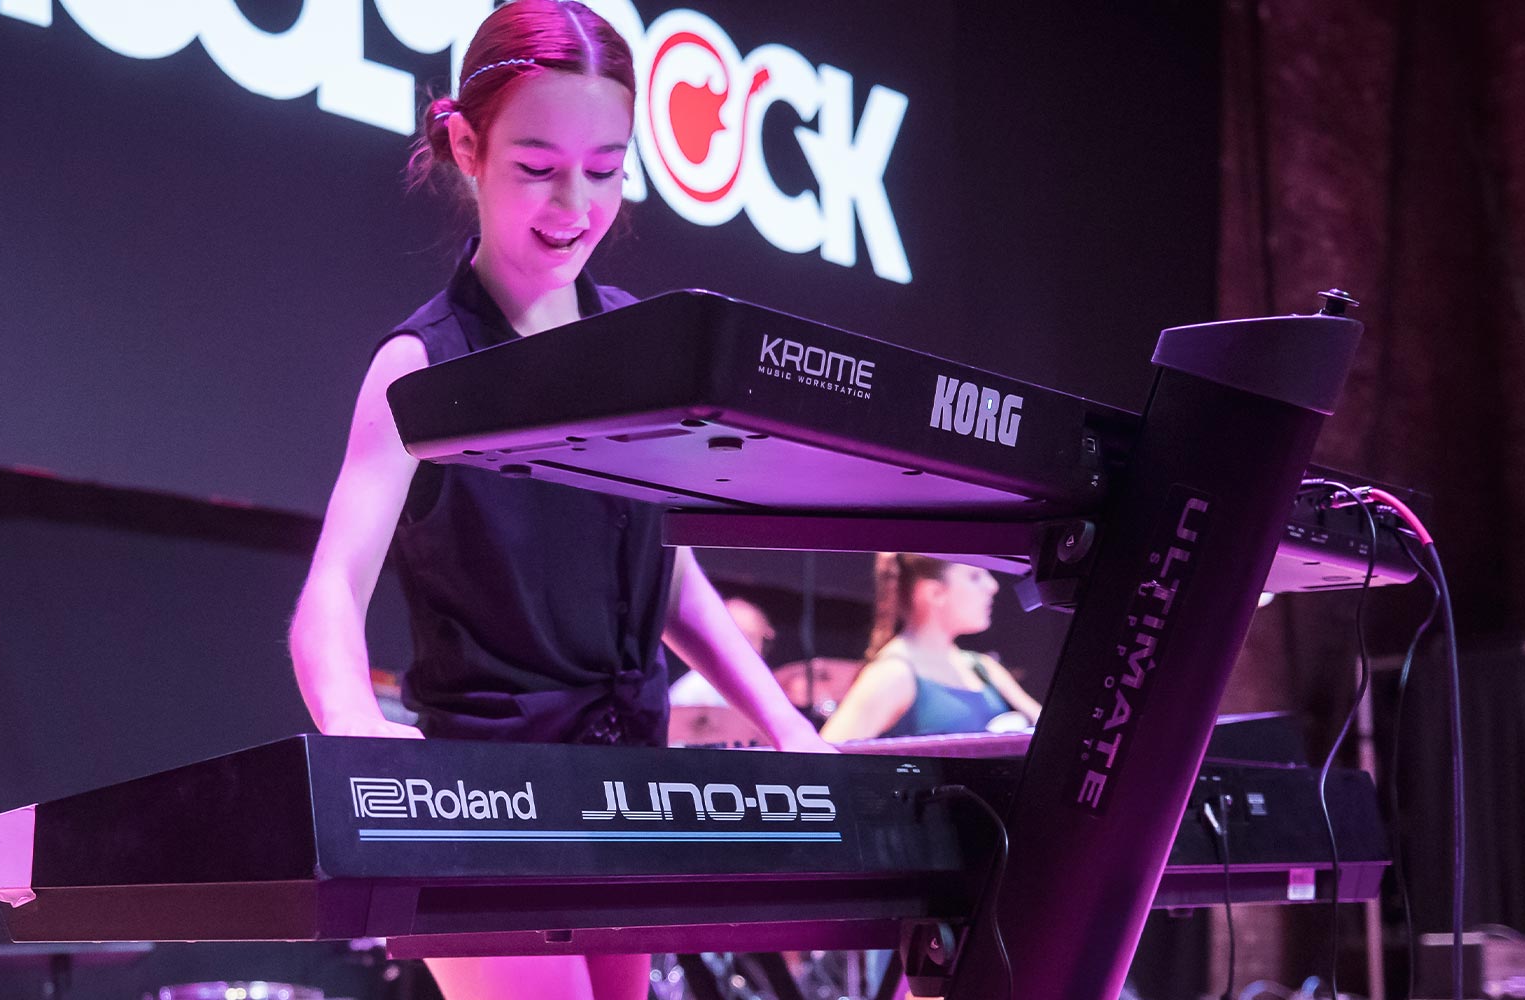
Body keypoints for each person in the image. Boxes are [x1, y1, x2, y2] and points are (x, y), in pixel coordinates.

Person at [286, 5, 832, 998]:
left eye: (603, 167)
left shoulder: (637, 347)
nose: (571, 201)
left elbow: (667, 577)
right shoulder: (419, 368)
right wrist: (354, 727)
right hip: (482, 796)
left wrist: (784, 722)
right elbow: (330, 592)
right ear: (465, 144)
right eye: (536, 166)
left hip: (626, 782)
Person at [821, 553, 1042, 741]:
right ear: (934, 593)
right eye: (974, 576)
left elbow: (1050, 731)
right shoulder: (894, 673)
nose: (992, 586)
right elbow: (821, 754)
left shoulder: (981, 666)